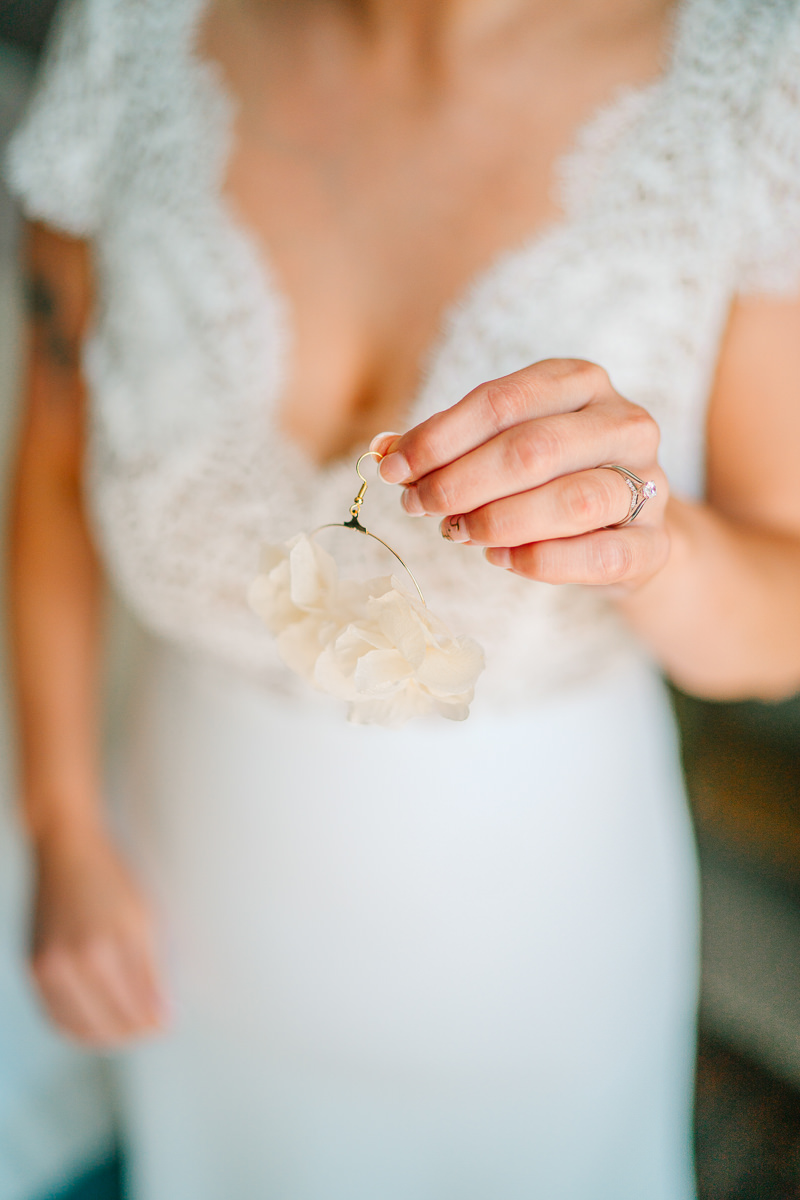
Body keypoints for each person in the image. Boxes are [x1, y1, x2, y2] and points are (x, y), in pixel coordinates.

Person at [4, 0, 800, 1195]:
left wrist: (655, 539)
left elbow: (779, 630)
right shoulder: (133, 28)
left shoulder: (749, 78)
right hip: (190, 897)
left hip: (532, 938)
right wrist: (65, 826)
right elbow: (58, 463)